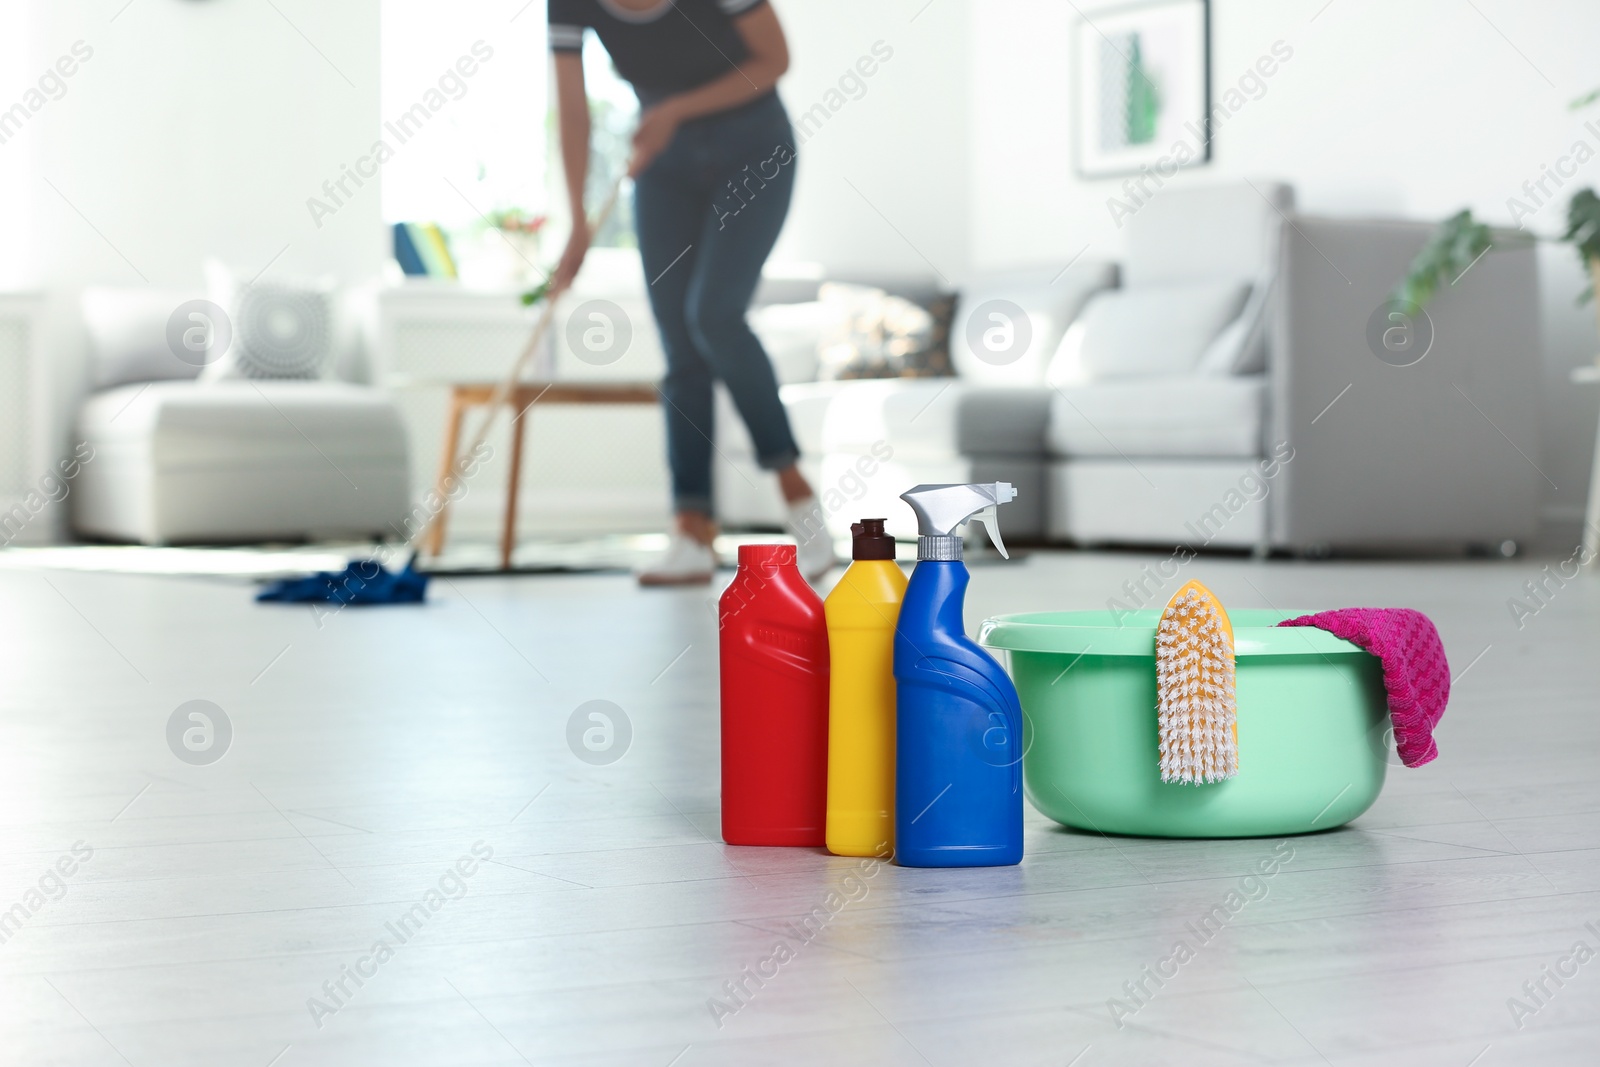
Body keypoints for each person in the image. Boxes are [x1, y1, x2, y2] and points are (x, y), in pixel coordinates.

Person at [548, 0, 832, 585]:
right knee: (679, 342)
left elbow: (774, 58)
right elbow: (573, 112)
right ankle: (691, 531)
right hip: (665, 164)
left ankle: (800, 502)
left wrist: (677, 108)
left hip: (754, 147)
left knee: (716, 315)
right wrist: (576, 221)